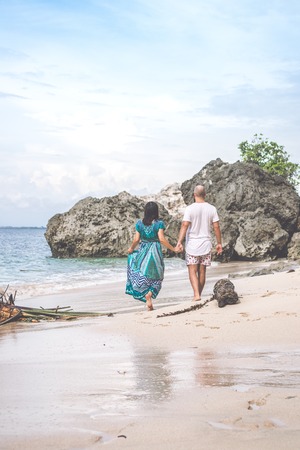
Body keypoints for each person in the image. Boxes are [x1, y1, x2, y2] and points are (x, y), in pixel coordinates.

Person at [126, 201, 179, 311]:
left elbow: (136, 239)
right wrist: (173, 249)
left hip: (143, 252)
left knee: (142, 275)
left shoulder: (139, 224)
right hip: (155, 253)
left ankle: (146, 295)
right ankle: (149, 294)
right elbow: (161, 239)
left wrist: (131, 249)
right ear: (156, 212)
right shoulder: (159, 224)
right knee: (158, 277)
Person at [176, 185, 222, 301]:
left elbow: (185, 225)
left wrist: (179, 242)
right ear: (205, 195)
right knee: (202, 271)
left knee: (192, 271)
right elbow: (216, 227)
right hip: (206, 244)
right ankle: (198, 294)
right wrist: (219, 243)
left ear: (194, 195)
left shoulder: (190, 209)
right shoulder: (212, 208)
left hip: (192, 245)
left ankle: (196, 295)